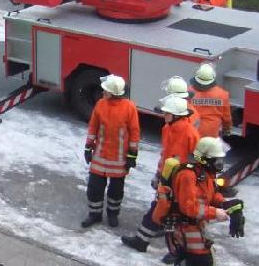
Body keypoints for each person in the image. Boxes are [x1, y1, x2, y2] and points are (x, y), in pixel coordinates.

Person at [157, 137, 245, 266]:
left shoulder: (205, 174)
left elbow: (211, 196)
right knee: (202, 260)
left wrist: (226, 205)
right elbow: (189, 207)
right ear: (204, 159)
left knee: (185, 258)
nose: (220, 165)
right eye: (217, 161)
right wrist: (215, 213)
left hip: (192, 224)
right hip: (183, 224)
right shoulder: (188, 175)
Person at [121, 95, 199, 254]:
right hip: (167, 179)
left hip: (181, 182)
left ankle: (178, 250)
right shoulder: (167, 129)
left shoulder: (190, 133)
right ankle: (143, 241)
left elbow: (197, 161)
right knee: (158, 210)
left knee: (175, 216)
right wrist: (158, 175)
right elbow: (165, 156)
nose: (164, 115)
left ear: (176, 115)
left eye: (167, 113)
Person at [81, 74, 140, 229]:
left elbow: (134, 133)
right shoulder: (100, 104)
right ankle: (94, 214)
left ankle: (113, 214)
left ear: (113, 93)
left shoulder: (129, 107)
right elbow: (93, 127)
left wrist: (132, 155)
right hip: (100, 155)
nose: (103, 92)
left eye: (106, 90)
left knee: (116, 191)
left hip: (119, 158)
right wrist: (88, 147)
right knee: (94, 188)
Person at [189, 63, 232, 138]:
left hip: (192, 130)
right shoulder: (222, 94)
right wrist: (227, 129)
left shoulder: (188, 92)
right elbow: (226, 117)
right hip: (212, 131)